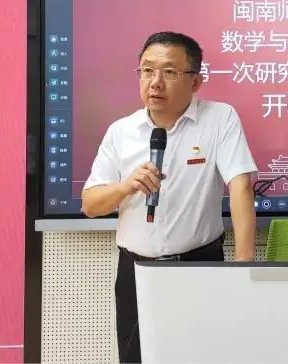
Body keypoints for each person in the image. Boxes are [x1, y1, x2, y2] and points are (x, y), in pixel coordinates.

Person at [81, 31, 257, 363]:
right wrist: (125, 186)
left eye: (170, 72)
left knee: (203, 356)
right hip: (135, 269)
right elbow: (90, 205)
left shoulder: (219, 118)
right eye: (147, 70)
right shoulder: (121, 131)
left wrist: (243, 268)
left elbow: (240, 186)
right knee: (136, 357)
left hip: (199, 265)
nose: (155, 82)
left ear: (195, 82)